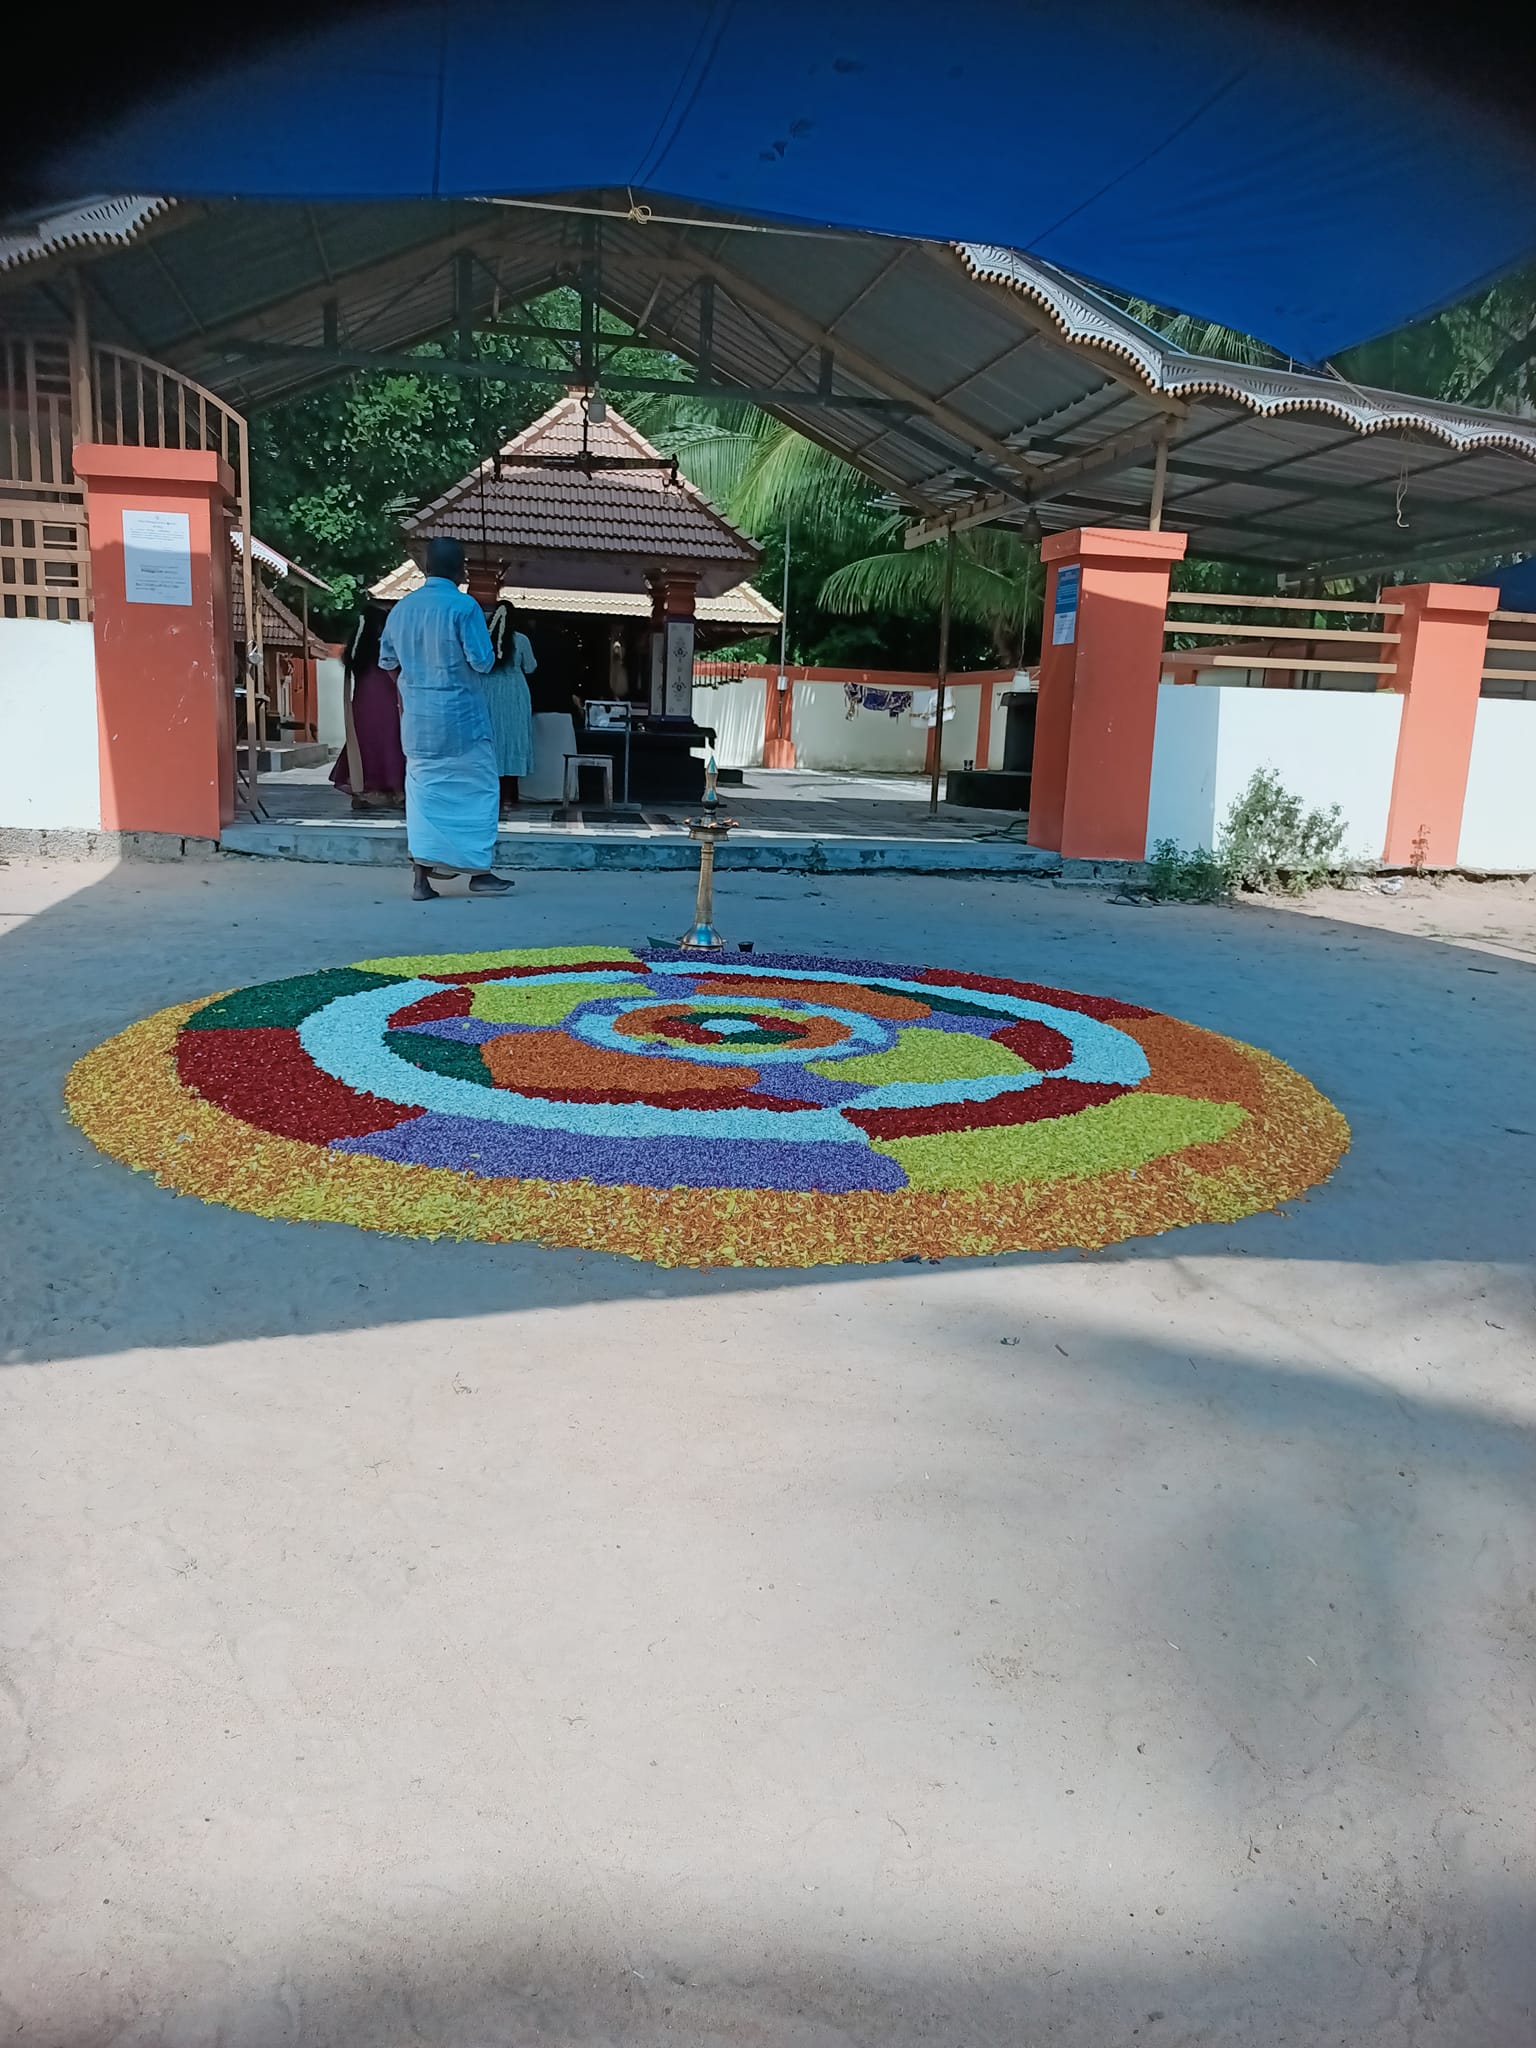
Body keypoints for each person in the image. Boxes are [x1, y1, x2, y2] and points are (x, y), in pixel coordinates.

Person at [377, 537, 514, 900]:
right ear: (461, 569)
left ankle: (422, 881)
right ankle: (478, 871)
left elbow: (387, 663)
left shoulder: (401, 609)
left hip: (418, 720)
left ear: (426, 568)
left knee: (422, 795)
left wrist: (410, 691)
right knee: (480, 790)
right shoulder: (464, 607)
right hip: (462, 718)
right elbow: (483, 662)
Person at [329, 601, 406, 811]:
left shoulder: (358, 652)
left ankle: (364, 790)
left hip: (363, 705)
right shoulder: (387, 646)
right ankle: (396, 792)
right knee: (391, 744)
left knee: (366, 744)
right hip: (389, 704)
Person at [484, 597, 537, 812]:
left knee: (491, 742)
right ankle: (508, 798)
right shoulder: (521, 640)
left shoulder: (484, 639)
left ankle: (491, 797)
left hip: (488, 692)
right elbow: (531, 667)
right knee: (514, 740)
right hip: (515, 692)